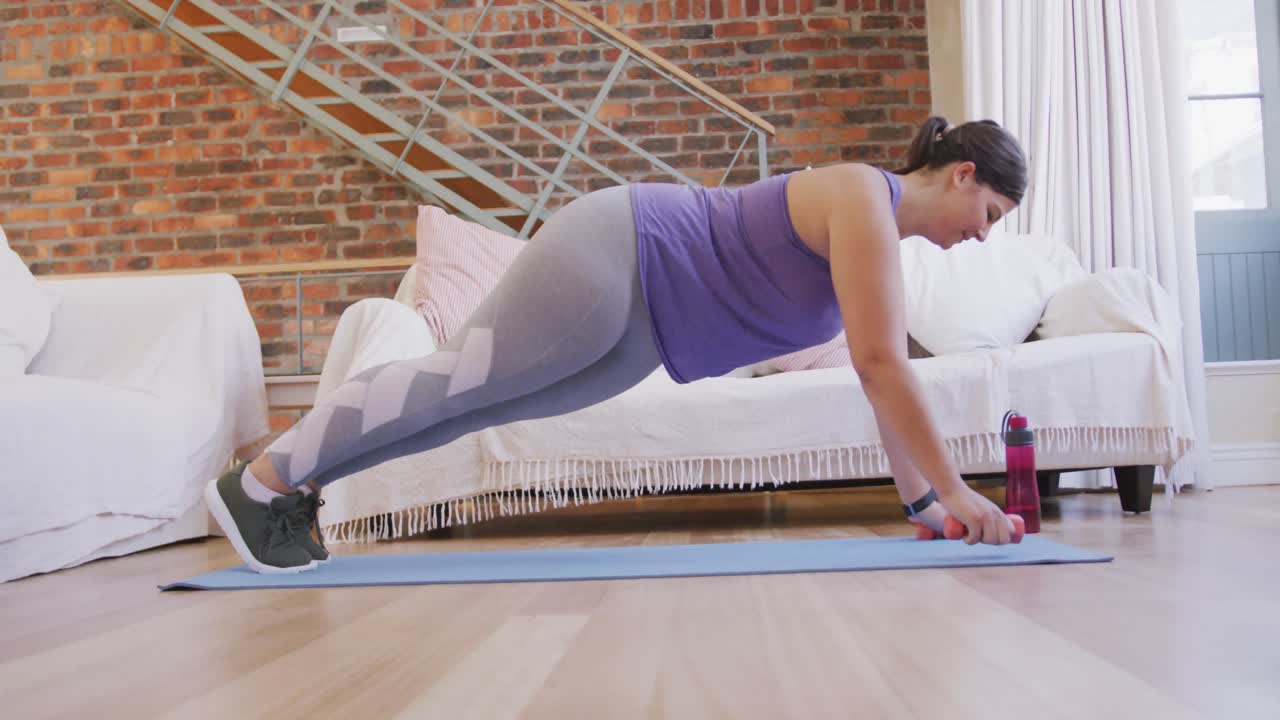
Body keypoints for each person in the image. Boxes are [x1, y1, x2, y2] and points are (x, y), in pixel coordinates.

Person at [205, 116, 1028, 573]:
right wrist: (960, 494)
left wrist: (922, 502)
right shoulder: (862, 198)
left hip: (646, 330)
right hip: (625, 253)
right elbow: (882, 366)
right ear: (961, 174)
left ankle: (283, 494)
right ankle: (263, 480)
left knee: (466, 408)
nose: (983, 237)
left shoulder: (879, 243)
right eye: (989, 214)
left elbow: (880, 385)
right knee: (456, 380)